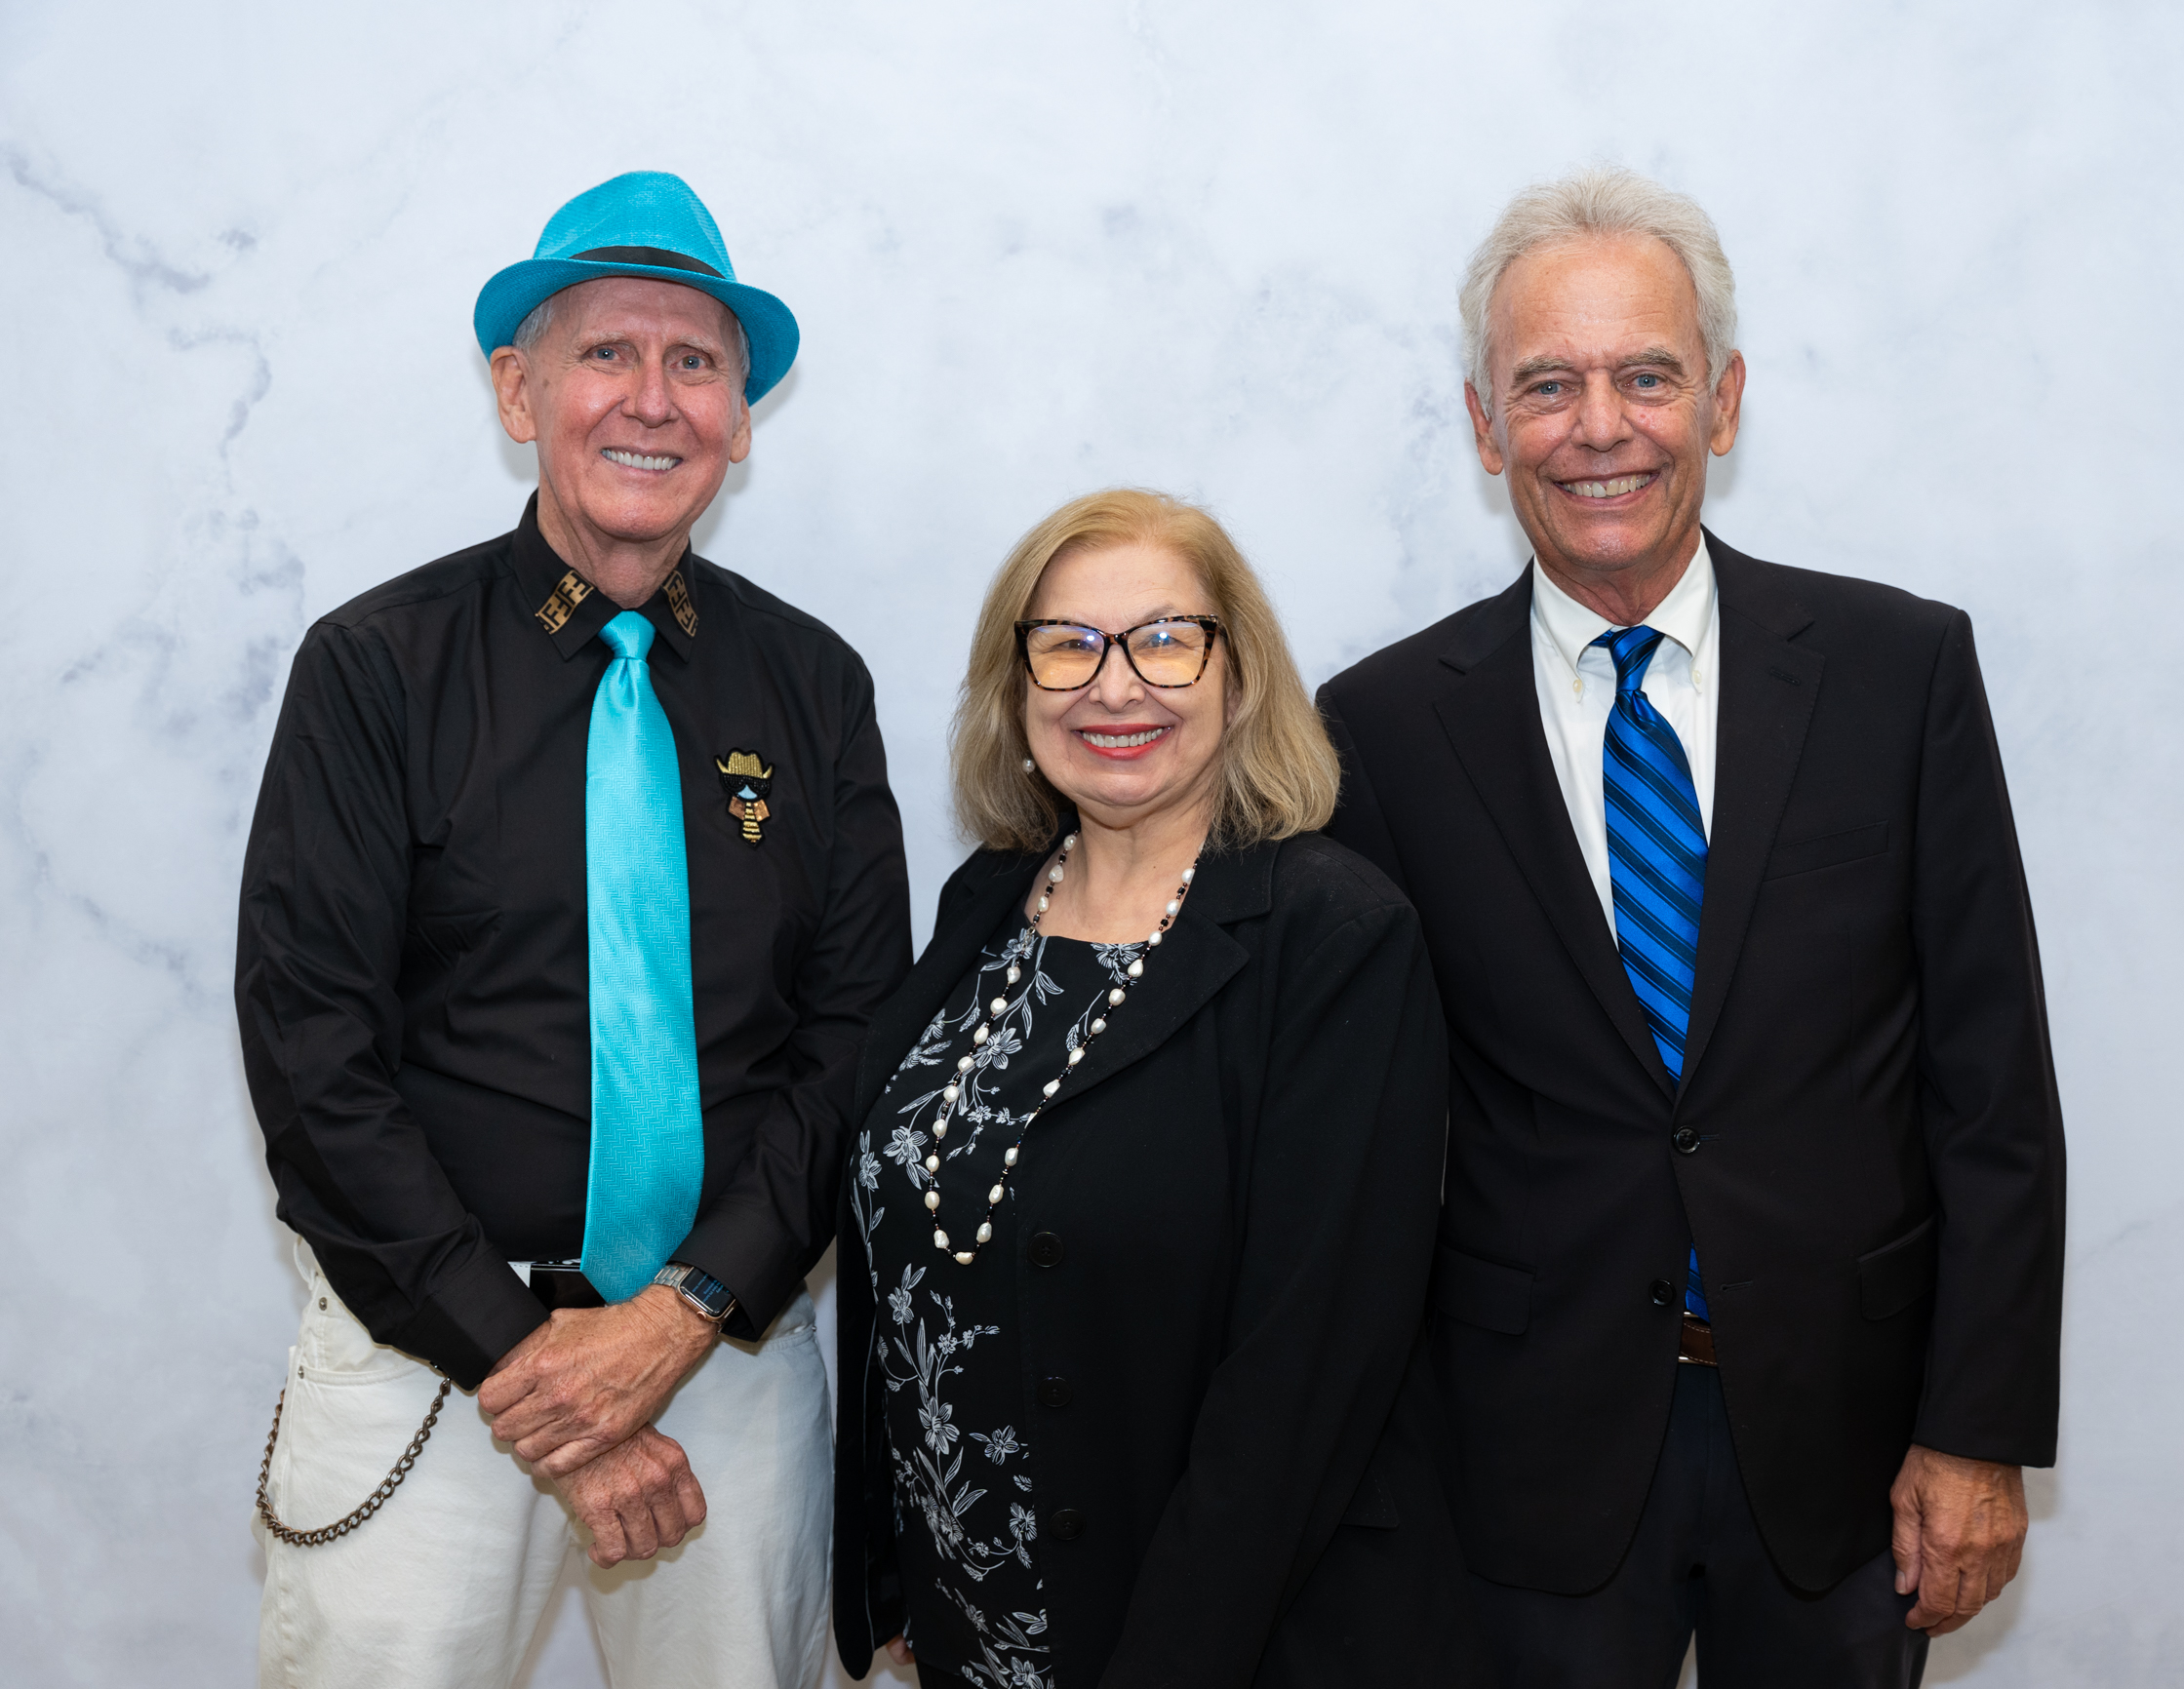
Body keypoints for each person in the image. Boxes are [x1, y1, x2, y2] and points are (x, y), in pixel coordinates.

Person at [1319, 165, 2066, 1688]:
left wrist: (1975, 1431)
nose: (1600, 427)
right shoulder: (1379, 731)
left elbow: (1991, 1090)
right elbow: (1367, 1147)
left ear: (1721, 402)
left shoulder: (1898, 672)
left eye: (1646, 377)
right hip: (1523, 1459)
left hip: (1849, 1446)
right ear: (1483, 426)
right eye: (1548, 384)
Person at [236, 171, 912, 1689]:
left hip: (721, 1359)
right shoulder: (375, 670)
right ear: (517, 390)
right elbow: (313, 1056)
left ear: (741, 417)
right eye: (606, 352)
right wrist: (532, 1364)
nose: (652, 400)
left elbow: (856, 1040)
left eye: (696, 363)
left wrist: (684, 1312)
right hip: (429, 1360)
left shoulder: (813, 687)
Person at [830, 490, 1477, 1688]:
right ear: (1016, 686)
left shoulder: (1331, 935)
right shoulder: (988, 899)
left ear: (1239, 678)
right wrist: (903, 1565)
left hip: (1209, 1637)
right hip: (972, 1626)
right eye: (1066, 644)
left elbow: (1304, 1374)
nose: (1113, 687)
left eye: (1165, 640)